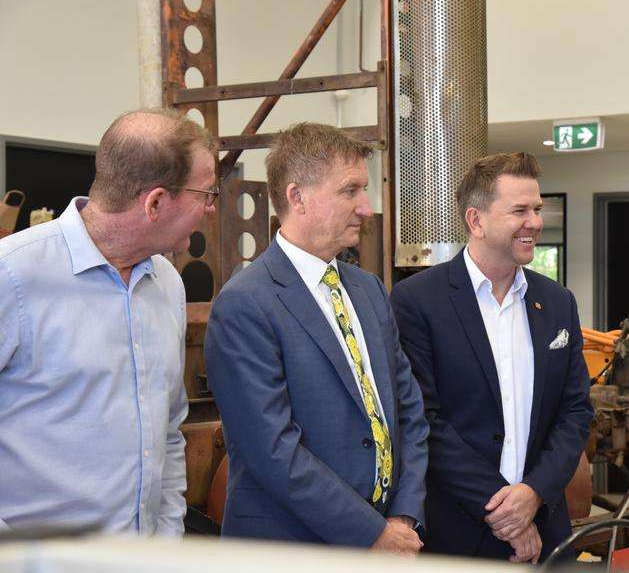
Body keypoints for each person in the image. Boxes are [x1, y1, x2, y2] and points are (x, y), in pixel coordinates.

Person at [205, 123, 428, 553]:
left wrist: (402, 514)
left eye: (365, 190)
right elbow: (273, 450)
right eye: (350, 191)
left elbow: (408, 410)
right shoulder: (246, 304)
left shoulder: (368, 290)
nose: (366, 208)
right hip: (292, 547)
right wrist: (372, 533)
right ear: (297, 197)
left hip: (389, 539)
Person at [0, 108, 218, 535]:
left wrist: (168, 537)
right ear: (155, 202)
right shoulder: (13, 276)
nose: (211, 210)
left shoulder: (167, 283)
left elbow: (169, 431)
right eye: (206, 194)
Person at [390, 152, 594, 563]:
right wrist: (504, 511)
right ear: (475, 220)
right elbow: (423, 420)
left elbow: (575, 412)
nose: (535, 222)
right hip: (457, 536)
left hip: (546, 531)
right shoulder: (417, 302)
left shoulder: (557, 302)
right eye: (519, 210)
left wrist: (533, 494)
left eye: (537, 209)